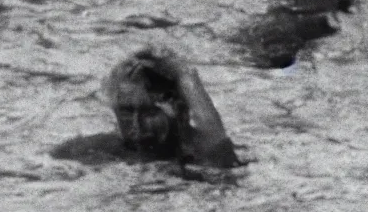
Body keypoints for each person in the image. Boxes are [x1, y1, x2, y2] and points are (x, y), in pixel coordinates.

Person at [50, 45, 239, 169]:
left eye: (149, 112)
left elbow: (217, 142)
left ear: (181, 112)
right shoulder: (93, 150)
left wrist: (187, 76)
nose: (136, 125)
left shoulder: (199, 152)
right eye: (125, 111)